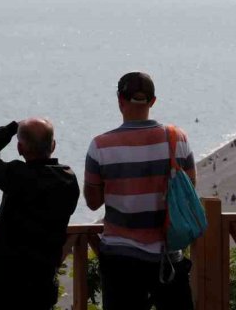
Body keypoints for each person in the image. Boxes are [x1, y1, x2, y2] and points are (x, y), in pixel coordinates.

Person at [84, 72, 196, 310]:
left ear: (119, 100)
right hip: (168, 255)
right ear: (153, 101)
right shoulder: (178, 138)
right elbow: (190, 191)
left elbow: (93, 203)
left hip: (120, 258)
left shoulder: (100, 146)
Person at [0, 118, 80, 310]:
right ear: (53, 146)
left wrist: (12, 127)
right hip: (43, 278)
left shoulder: (16, 175)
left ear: (20, 148)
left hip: (6, 282)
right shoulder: (67, 180)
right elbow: (41, 211)